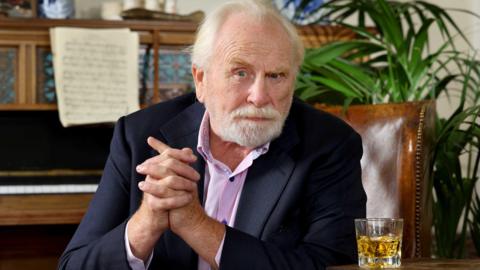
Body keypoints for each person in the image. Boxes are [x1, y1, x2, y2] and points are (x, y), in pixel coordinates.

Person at [58, 0, 366, 269]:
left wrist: (196, 225)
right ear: (201, 80)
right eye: (240, 72)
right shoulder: (140, 135)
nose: (259, 96)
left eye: (276, 76)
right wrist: (146, 222)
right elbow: (74, 265)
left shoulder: (330, 145)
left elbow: (334, 265)